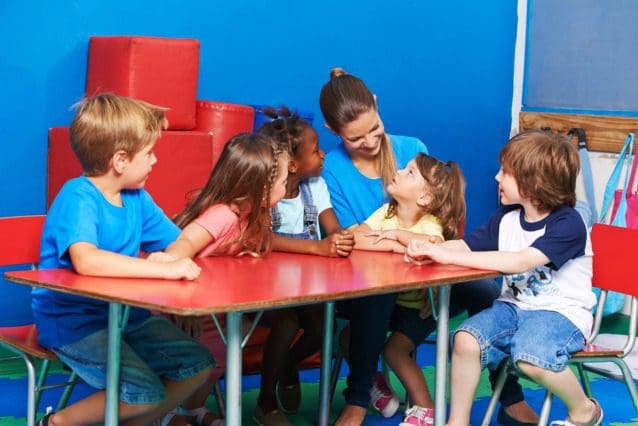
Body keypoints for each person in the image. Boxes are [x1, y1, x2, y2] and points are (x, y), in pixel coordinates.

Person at [320, 67, 537, 426]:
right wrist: (397, 245)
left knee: (486, 289)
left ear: (376, 104)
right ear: (333, 131)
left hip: (423, 279)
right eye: (356, 139)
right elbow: (349, 240)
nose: (371, 142)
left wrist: (407, 244)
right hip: (365, 286)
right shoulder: (333, 171)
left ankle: (509, 395)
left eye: (374, 129)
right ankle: (357, 399)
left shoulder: (412, 151)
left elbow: (441, 221)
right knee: (378, 292)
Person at [31, 93, 213, 426]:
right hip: (74, 323)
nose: (155, 161)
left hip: (128, 317)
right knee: (144, 391)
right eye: (149, 153)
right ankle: (56, 423)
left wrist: (170, 260)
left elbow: (182, 241)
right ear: (120, 160)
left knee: (198, 364)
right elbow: (87, 261)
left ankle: (139, 421)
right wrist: (165, 272)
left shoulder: (137, 198)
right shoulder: (78, 196)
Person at [406, 130, 603, 426]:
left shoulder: (569, 223)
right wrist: (432, 248)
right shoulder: (506, 217)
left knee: (530, 356)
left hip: (562, 315)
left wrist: (447, 256)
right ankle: (456, 422)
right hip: (513, 309)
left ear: (533, 185)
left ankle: (584, 410)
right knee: (465, 340)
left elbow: (520, 261)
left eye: (506, 173)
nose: (497, 178)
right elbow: (467, 245)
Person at [158, 133, 289, 426]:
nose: (287, 186)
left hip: (208, 306)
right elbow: (178, 248)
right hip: (172, 306)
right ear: (262, 188)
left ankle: (192, 408)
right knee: (204, 349)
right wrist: (186, 306)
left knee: (233, 336)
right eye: (282, 182)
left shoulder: (255, 216)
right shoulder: (223, 216)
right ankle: (164, 414)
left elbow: (267, 243)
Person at [249, 106, 354, 424]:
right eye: (316, 150)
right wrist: (319, 248)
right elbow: (263, 240)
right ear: (293, 164)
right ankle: (265, 401)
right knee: (287, 323)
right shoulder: (267, 193)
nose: (323, 154)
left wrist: (340, 239)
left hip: (304, 287)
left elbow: (332, 228)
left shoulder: (315, 187)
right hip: (262, 289)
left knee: (322, 328)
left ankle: (288, 364)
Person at [352, 153, 464, 425]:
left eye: (410, 172)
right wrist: (392, 245)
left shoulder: (429, 224)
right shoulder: (385, 213)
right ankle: (373, 382)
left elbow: (432, 244)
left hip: (419, 309)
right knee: (349, 337)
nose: (399, 171)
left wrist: (398, 236)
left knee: (394, 351)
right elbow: (355, 237)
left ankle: (425, 408)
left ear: (425, 198)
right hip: (389, 303)